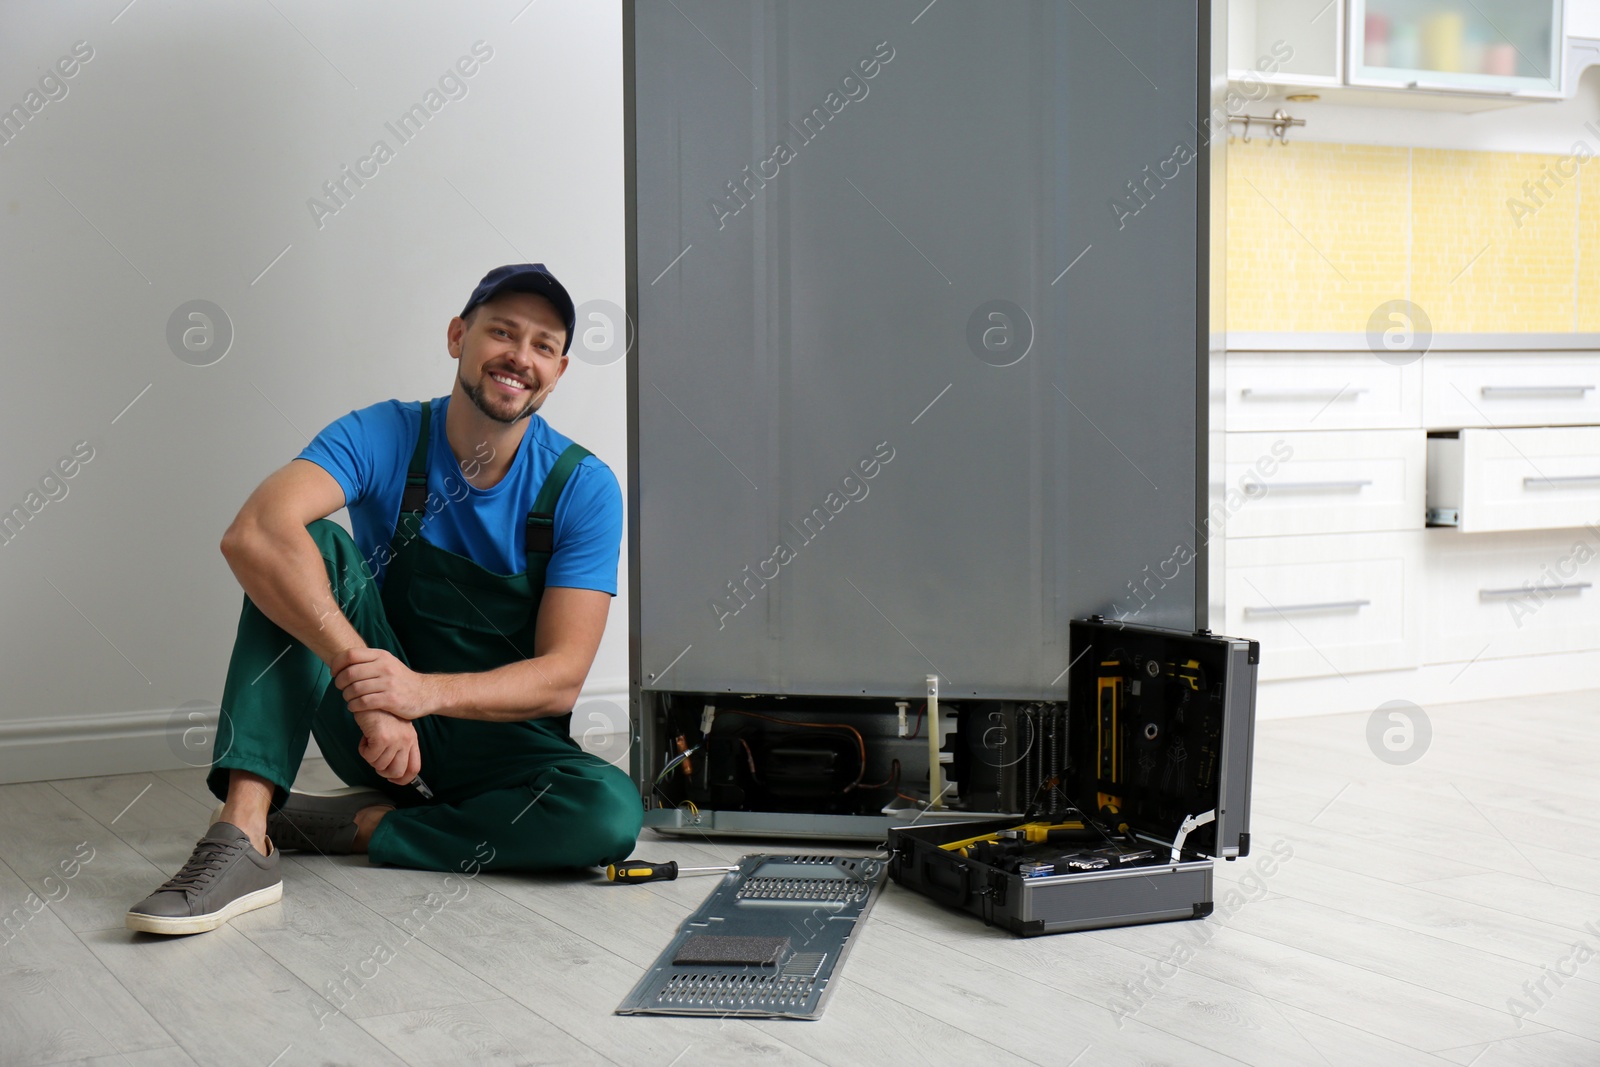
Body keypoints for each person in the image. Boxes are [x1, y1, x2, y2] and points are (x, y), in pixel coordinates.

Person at [126, 264, 641, 935]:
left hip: (505, 749)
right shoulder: (385, 434)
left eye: (543, 345)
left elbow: (561, 678)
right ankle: (244, 835)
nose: (520, 356)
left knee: (607, 813)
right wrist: (371, 686)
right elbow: (252, 533)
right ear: (458, 336)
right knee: (308, 546)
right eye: (502, 332)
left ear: (560, 370)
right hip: (373, 728)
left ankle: (369, 826)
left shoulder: (584, 487)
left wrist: (422, 693)